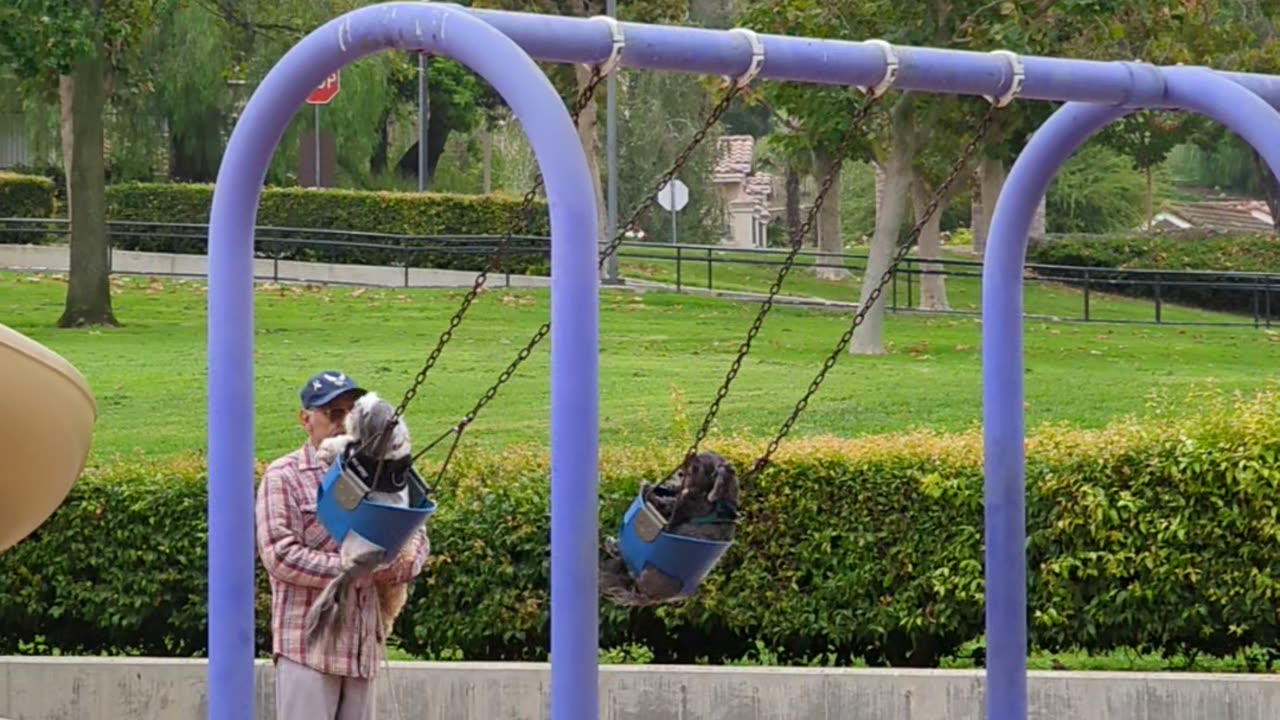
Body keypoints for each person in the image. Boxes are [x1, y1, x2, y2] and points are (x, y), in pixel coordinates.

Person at [255, 370, 429, 720]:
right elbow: (281, 556)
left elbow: (417, 547)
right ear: (305, 420)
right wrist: (357, 567)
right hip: (307, 650)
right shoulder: (283, 475)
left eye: (351, 413)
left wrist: (380, 564)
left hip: (363, 654)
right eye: (333, 413)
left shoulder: (385, 472)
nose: (343, 423)